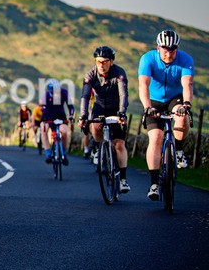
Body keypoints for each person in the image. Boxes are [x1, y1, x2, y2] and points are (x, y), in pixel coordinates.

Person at [138, 29, 195, 201]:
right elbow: (143, 85)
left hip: (174, 98)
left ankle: (178, 150)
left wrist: (186, 104)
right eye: (165, 49)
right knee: (155, 137)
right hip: (153, 100)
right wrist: (147, 107)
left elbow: (187, 84)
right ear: (158, 47)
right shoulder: (147, 59)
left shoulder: (185, 59)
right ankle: (154, 183)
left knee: (182, 117)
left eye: (172, 49)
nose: (169, 53)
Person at [78, 46, 130, 193]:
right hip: (99, 107)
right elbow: (85, 96)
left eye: (105, 62)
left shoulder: (119, 73)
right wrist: (82, 116)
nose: (101, 65)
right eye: (98, 61)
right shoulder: (90, 74)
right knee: (94, 126)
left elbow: (123, 95)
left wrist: (122, 113)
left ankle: (124, 180)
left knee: (119, 145)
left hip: (116, 108)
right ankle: (100, 149)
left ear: (111, 61)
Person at [41, 79, 74, 165]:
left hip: (60, 115)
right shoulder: (46, 96)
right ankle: (48, 153)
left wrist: (71, 116)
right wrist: (44, 118)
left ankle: (63, 152)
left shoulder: (64, 93)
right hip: (49, 116)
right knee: (43, 129)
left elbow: (70, 106)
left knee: (65, 132)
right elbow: (44, 109)